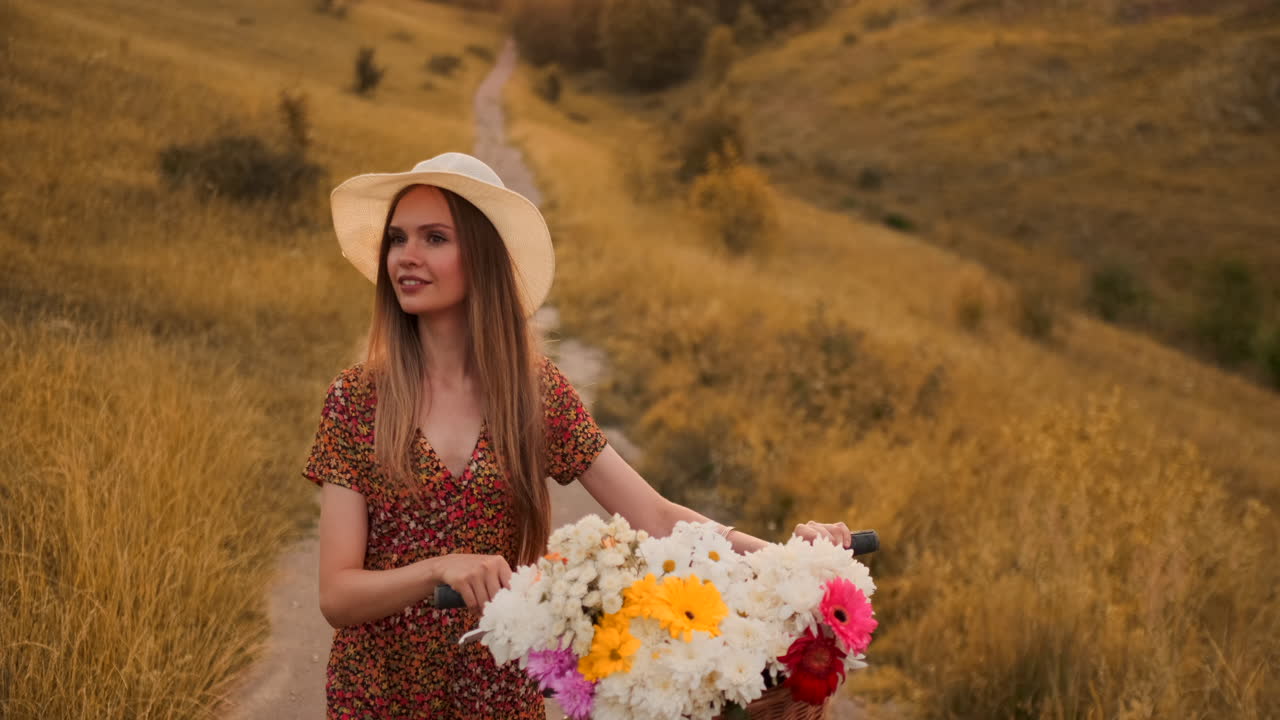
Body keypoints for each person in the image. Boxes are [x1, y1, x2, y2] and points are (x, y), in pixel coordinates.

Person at [303, 152, 855, 719]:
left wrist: (790, 559)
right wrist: (438, 569)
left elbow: (657, 517)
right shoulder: (357, 398)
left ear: (483, 258)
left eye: (435, 238)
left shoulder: (531, 394)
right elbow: (337, 596)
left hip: (497, 690)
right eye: (397, 239)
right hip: (377, 694)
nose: (407, 257)